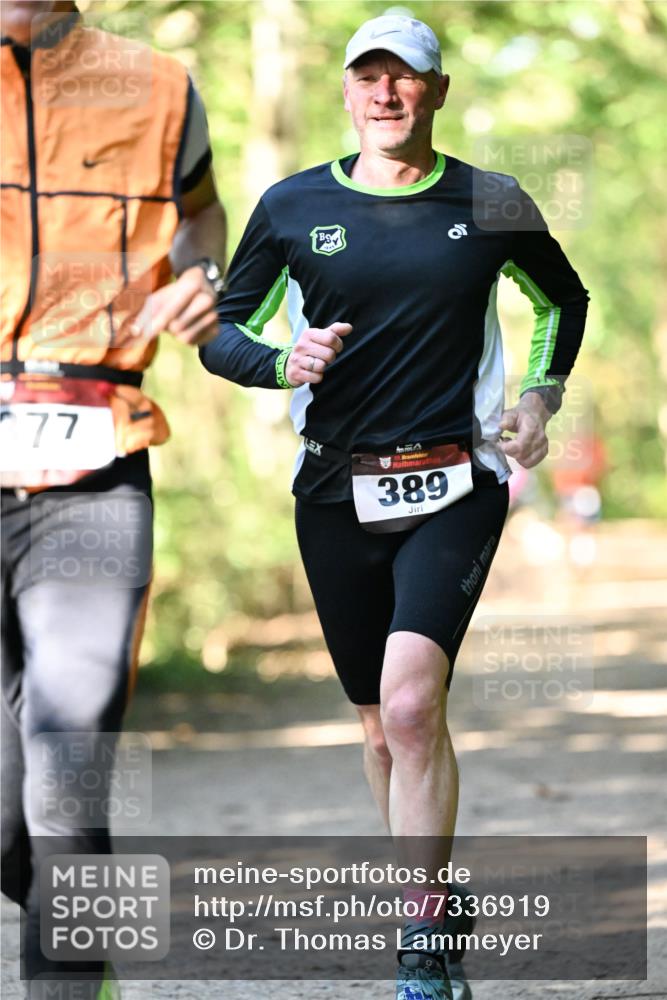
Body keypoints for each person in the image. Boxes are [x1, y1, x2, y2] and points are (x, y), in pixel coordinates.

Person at [200, 14, 588, 1000]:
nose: (384, 94)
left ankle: (421, 942)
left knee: (415, 702)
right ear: (343, 92)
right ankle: (434, 892)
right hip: (332, 486)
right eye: (366, 77)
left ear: (437, 91)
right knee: (378, 725)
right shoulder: (291, 206)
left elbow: (560, 303)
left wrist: (536, 398)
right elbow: (221, 332)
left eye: (404, 78)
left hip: (457, 482)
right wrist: (278, 359)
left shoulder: (488, 199)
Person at [1, 2, 226, 996]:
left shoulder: (158, 86)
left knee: (67, 761)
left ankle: (71, 977)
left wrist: (200, 271)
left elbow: (206, 212)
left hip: (94, 453)